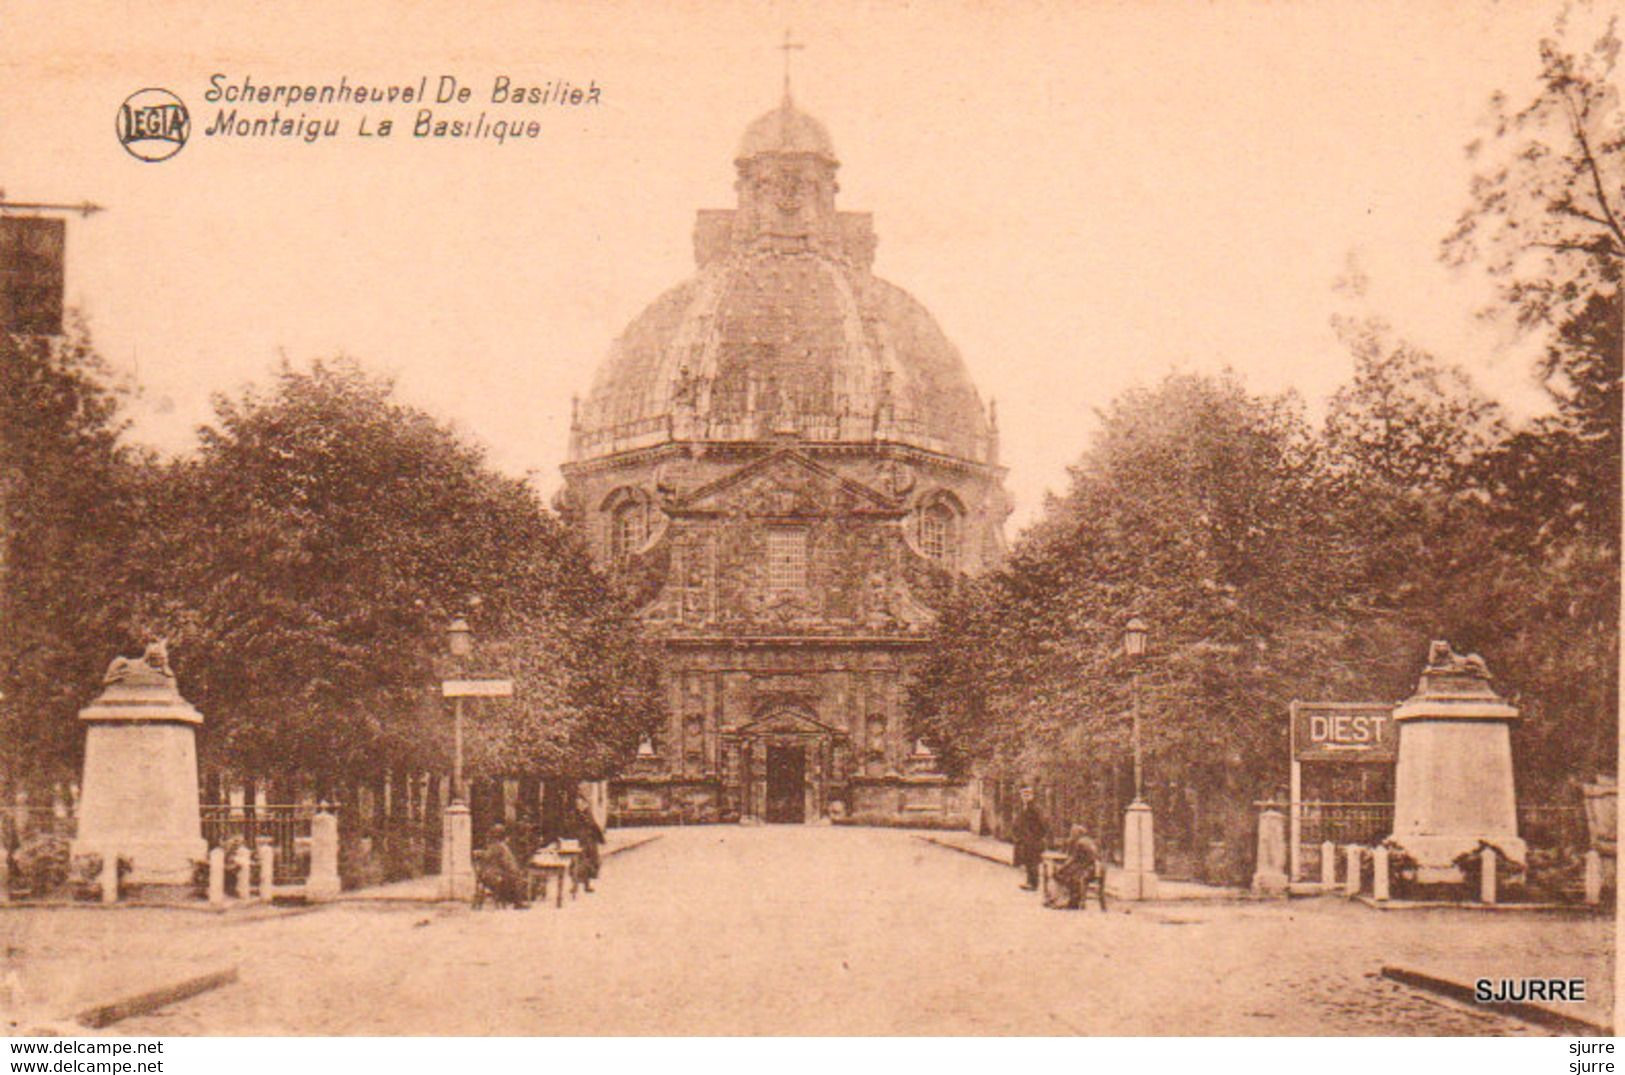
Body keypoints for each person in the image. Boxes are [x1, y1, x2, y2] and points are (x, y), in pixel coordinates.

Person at [1050, 823, 1104, 910]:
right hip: (1094, 869)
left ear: (1077, 834)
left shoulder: (1080, 843)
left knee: (1060, 875)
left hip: (1087, 871)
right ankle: (1070, 900)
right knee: (1069, 874)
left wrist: (1062, 868)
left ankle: (1061, 900)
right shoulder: (1089, 840)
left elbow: (1073, 859)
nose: (1071, 835)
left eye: (1072, 833)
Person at [475, 822, 528, 908]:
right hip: (493, 876)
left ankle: (515, 901)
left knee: (514, 878)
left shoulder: (495, 846)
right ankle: (517, 902)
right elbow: (507, 863)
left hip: (490, 874)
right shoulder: (499, 846)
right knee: (515, 878)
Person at [567, 793, 606, 893]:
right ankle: (574, 886)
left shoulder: (588, 812)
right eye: (577, 803)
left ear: (585, 803)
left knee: (589, 863)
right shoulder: (574, 814)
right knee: (576, 863)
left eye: (581, 802)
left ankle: (587, 885)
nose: (579, 805)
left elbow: (594, 825)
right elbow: (571, 826)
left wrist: (600, 838)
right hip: (578, 841)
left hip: (589, 841)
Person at [1011, 786, 1047, 891]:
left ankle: (1034, 884)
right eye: (1023, 795)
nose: (1025, 797)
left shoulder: (1035, 808)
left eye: (1028, 795)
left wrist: (1037, 836)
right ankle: (1029, 882)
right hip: (1026, 840)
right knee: (1028, 861)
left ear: (1032, 796)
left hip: (1033, 840)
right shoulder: (1024, 807)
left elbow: (1043, 823)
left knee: (1033, 862)